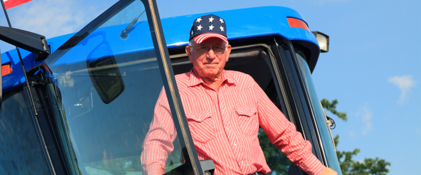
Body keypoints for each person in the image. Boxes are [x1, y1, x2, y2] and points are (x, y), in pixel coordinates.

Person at [141, 14, 338, 175]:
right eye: (202, 48)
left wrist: (319, 170)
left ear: (227, 52)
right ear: (189, 52)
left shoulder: (246, 83)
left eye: (217, 48)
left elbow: (284, 133)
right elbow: (158, 141)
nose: (211, 55)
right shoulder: (176, 88)